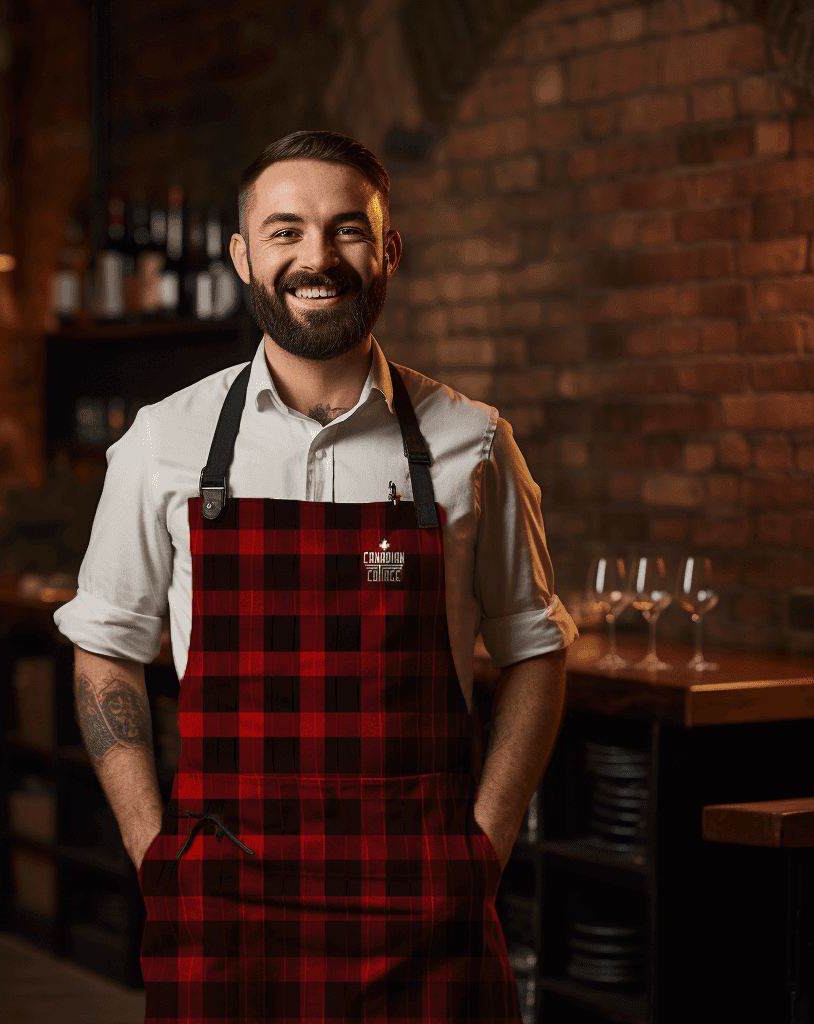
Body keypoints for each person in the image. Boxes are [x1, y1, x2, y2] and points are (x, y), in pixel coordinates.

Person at [54, 130, 577, 1023]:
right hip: (223, 912)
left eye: (346, 230)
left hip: (422, 906)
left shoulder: (474, 442)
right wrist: (156, 858)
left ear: (388, 251)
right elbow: (104, 654)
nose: (316, 258)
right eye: (286, 230)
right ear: (244, 255)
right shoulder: (163, 442)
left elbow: (536, 652)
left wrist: (482, 849)